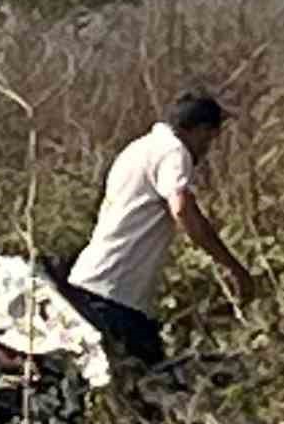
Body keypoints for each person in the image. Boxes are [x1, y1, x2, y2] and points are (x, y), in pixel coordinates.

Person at [62, 90, 258, 368]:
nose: (207, 149)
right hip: (115, 296)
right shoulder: (174, 152)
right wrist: (234, 268)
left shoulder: (139, 148)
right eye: (210, 139)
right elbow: (182, 209)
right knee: (151, 386)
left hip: (90, 285)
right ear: (201, 130)